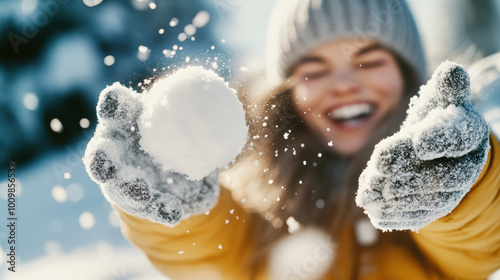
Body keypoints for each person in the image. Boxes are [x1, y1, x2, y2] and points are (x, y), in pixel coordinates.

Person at [83, 0, 500, 279]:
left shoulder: (452, 165)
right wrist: (183, 205)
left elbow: (480, 247)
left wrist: (460, 189)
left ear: (409, 76)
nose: (343, 85)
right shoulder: (263, 199)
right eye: (314, 70)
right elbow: (213, 258)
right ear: (287, 94)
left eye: (368, 60)